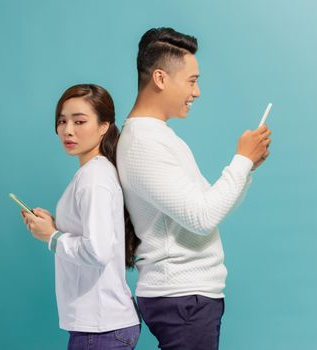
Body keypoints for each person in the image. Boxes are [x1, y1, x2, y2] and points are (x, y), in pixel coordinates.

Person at [116, 28, 272, 350]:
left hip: (188, 297)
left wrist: (246, 168)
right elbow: (201, 217)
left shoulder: (159, 137)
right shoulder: (144, 143)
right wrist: (240, 160)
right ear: (160, 78)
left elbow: (210, 209)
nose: (197, 92)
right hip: (182, 296)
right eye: (191, 80)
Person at [21, 84, 140, 350]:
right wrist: (53, 225)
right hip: (104, 325)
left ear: (103, 126)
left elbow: (97, 251)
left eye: (79, 121)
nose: (68, 130)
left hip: (100, 329)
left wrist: (51, 237)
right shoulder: (96, 173)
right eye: (62, 121)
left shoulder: (93, 178)